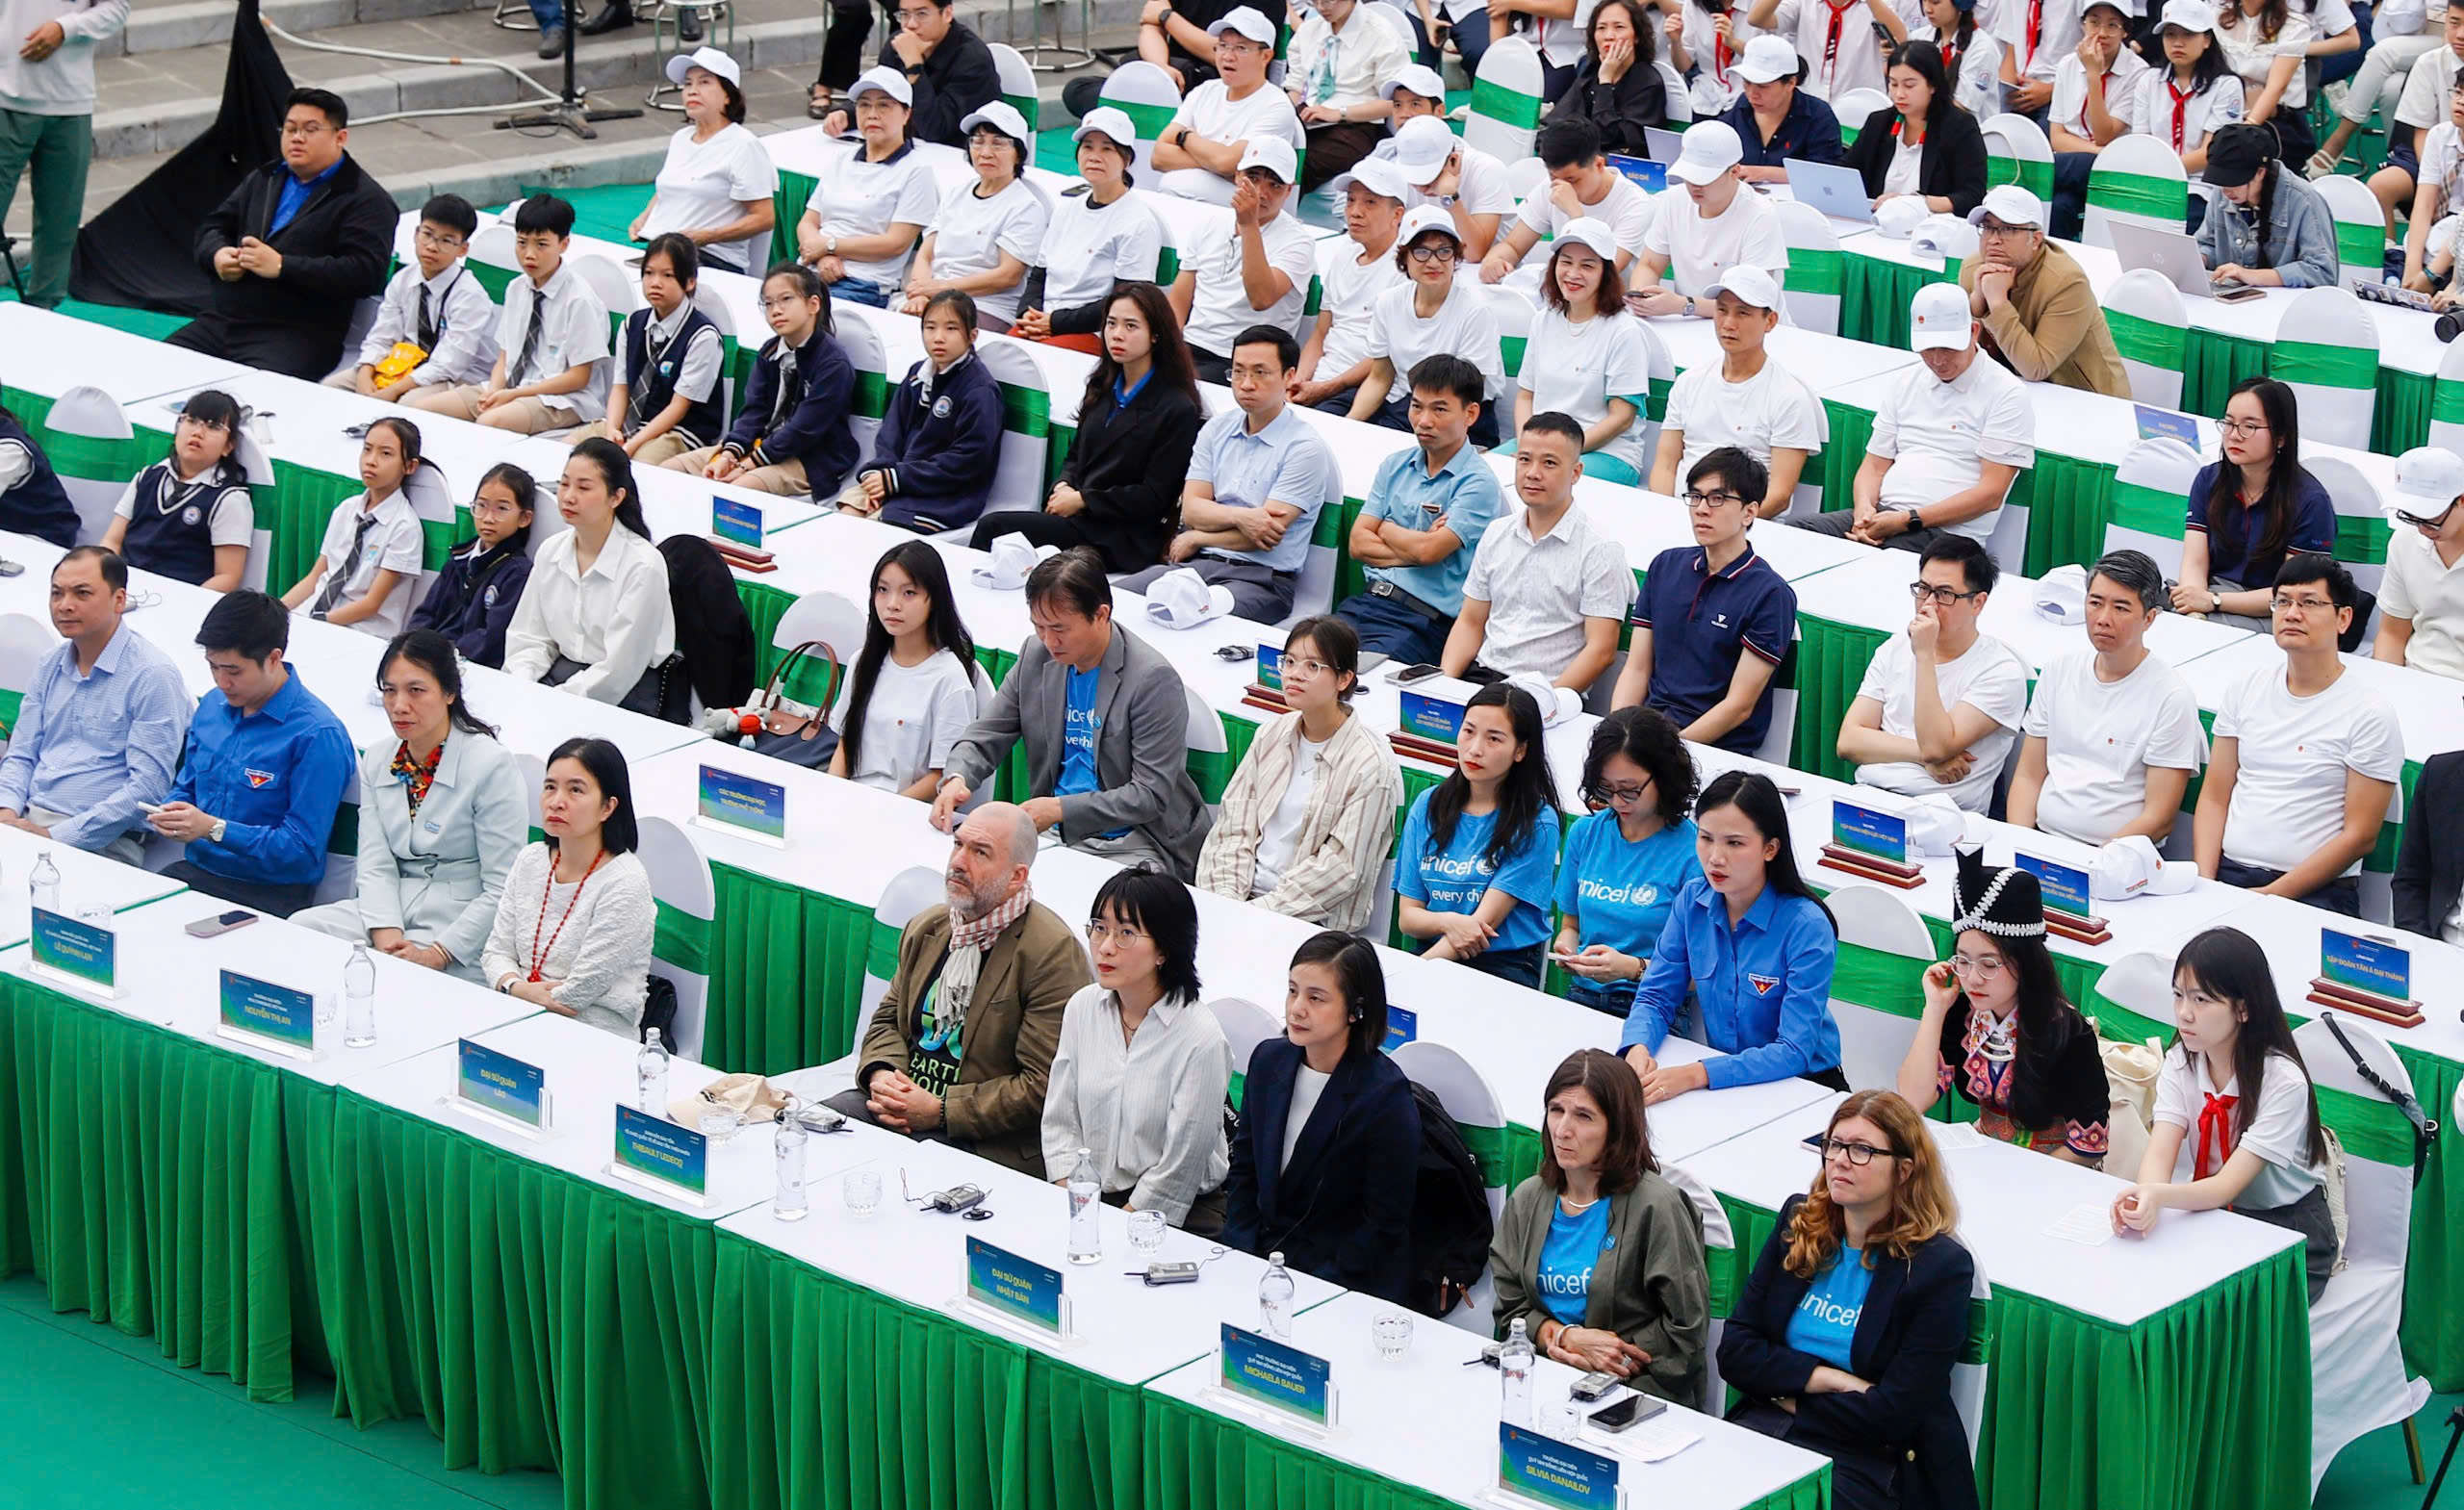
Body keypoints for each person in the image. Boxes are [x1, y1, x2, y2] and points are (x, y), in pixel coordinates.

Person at [1720, 1091, 1977, 1510]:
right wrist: (1828, 1379)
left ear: (1904, 1170)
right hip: (1768, 1427)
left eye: (1862, 1150)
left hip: (1872, 1461)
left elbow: (1893, 1413)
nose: (1840, 1160)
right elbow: (1734, 1352)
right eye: (1835, 1145)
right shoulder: (1799, 1223)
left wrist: (1789, 1396)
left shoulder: (1938, 1268)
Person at [830, 801, 1092, 1175]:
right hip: (902, 1104)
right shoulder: (929, 926)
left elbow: (1042, 1085)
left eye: (980, 852)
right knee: (813, 1134)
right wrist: (883, 1076)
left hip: (982, 1138)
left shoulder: (1051, 954)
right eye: (958, 844)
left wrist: (939, 1111)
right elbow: (888, 1019)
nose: (958, 862)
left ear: (1016, 876)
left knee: (907, 1177)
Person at [931, 550, 1215, 877]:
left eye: (1059, 628)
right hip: (1056, 832)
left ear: (1101, 614)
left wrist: (1059, 809)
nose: (1049, 641)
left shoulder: (1152, 679)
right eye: (1039, 627)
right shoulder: (1036, 655)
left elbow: (1149, 794)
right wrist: (957, 777)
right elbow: (987, 733)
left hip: (1136, 840)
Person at [294, 629, 529, 983]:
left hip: (460, 923)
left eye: (416, 690)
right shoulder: (378, 758)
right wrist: (386, 934)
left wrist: (438, 953)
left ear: (449, 692)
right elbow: (375, 862)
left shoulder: (491, 764)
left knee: (406, 982)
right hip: (392, 907)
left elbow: (503, 887)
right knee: (302, 929)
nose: (399, 705)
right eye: (390, 690)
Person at [2112, 928, 2334, 1301]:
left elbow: (2226, 1187)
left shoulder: (2283, 1082)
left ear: (2243, 1009)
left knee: (2215, 1312)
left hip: (2287, 1227)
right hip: (2214, 1214)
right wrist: (2145, 1200)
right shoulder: (2181, 1061)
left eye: (2201, 1000)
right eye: (2178, 995)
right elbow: (2160, 1153)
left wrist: (2158, 1196)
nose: (2184, 1013)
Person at [1492, 1048, 1710, 1406]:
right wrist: (1564, 1337)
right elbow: (1509, 1309)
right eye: (1556, 1110)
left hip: (1632, 1391)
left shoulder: (1658, 1207)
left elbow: (1686, 1331)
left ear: (1617, 1129)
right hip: (1542, 1376)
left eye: (1584, 1116)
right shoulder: (1528, 1199)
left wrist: (1608, 1360)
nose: (1563, 1130)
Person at [1621, 770, 1846, 1102]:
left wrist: (1697, 1074)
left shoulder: (1806, 925)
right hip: (1729, 1083)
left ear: (1770, 848)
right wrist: (1637, 1046)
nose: (1715, 858)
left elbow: (1793, 1050)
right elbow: (1656, 996)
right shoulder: (1692, 901)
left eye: (1734, 843)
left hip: (1806, 1087)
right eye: (1705, 838)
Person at [2195, 553, 2401, 915]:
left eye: (2309, 603)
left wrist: (2266, 897)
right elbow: (2214, 798)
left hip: (2318, 893)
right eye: (2283, 602)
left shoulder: (2369, 713)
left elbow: (2359, 836)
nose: (2292, 613)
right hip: (2229, 876)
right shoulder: (2246, 689)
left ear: (2343, 618)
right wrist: (2205, 884)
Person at [1221, 931, 1422, 1303]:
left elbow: (1382, 1225)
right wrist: (1241, 1253)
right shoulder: (1268, 1060)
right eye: (1292, 991)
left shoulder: (1385, 1097)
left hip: (1342, 1280)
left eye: (1316, 998)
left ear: (1356, 1010)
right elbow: (1244, 1171)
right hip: (1261, 1258)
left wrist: (1311, 1288)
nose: (1297, 1008)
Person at [1044, 867, 1235, 1233]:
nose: (1105, 946)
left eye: (1126, 933)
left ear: (1164, 949)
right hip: (1087, 1197)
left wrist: (1116, 1225)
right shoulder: (1082, 1007)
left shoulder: (1201, 1038)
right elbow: (1060, 1122)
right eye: (1099, 928)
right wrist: (1076, 1204)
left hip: (1180, 1210)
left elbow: (1182, 1163)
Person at [148, 591, 352, 918]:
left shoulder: (316, 735)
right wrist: (173, 810)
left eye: (234, 671)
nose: (222, 681)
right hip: (197, 871)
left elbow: (301, 849)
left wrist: (214, 829)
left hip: (268, 893)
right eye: (213, 667)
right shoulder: (211, 707)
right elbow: (188, 787)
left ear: (273, 659)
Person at [1897, 849, 2111, 1162]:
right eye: (1963, 961)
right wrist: (1934, 1009)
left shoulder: (2069, 1032)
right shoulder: (1962, 1013)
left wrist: (2020, 1174)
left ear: (2025, 964)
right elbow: (1913, 1099)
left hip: (2052, 1168)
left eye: (1989, 964)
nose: (1973, 979)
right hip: (1986, 1156)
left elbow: (2091, 1145)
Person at [974, 284, 1204, 571]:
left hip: (1120, 536)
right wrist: (1063, 485)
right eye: (1111, 323)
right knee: (1001, 536)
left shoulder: (1177, 407)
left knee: (994, 528)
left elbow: (1153, 496)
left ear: (1156, 334)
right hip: (1080, 518)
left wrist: (1083, 500)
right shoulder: (1102, 385)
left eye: (1131, 326)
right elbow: (1075, 456)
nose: (1117, 334)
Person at [1197, 614, 1405, 933]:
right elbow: (1232, 827)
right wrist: (1226, 901)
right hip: (1238, 901)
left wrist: (1256, 914)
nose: (1295, 674)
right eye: (1290, 662)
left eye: (1313, 666)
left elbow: (1339, 871)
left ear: (1344, 679)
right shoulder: (1272, 734)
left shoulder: (1370, 765)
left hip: (1309, 923)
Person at [171, 88, 397, 380]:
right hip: (224, 321)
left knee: (254, 393)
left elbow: (366, 273)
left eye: (310, 130)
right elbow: (213, 226)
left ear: (340, 137)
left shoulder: (366, 199)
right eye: (290, 129)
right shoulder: (266, 177)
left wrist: (282, 266)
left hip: (297, 335)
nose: (297, 138)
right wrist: (216, 255)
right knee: (158, 367)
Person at [1120, 324, 1338, 623]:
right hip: (1195, 567)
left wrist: (1197, 537)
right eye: (1238, 372)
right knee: (1115, 599)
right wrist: (1242, 517)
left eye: (1260, 373)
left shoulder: (1305, 448)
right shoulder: (1216, 429)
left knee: (1188, 615)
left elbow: (1262, 536)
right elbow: (1192, 510)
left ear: (1289, 376)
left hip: (1262, 580)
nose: (1246, 384)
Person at [1797, 282, 2033, 551]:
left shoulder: (2007, 393)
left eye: (1948, 349)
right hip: (1887, 516)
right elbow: (1874, 466)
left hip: (1948, 535)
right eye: (1928, 349)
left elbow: (1991, 494)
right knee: (1796, 532)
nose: (1938, 360)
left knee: (1880, 556)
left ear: (1973, 332)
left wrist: (1908, 520)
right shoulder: (1906, 381)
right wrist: (1864, 511)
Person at [2008, 549, 2207, 845]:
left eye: (2121, 608)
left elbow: (2159, 818)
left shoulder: (2171, 697)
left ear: (2149, 618)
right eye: (2095, 603)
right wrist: (2019, 843)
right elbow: (2028, 776)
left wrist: (2092, 862)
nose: (2103, 619)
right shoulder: (2058, 672)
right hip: (2041, 841)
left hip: (2117, 855)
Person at [0, 547, 185, 862]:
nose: (64, 605)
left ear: (119, 600)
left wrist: (53, 837)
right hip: (26, 820)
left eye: (82, 593)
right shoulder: (50, 663)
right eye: (57, 593)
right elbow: (21, 754)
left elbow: (148, 788)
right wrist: (7, 813)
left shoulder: (152, 675)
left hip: (103, 841)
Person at [1615, 448, 1799, 753]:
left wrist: (1670, 751)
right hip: (1649, 732)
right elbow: (1637, 668)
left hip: (1713, 748)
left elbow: (1738, 706)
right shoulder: (1666, 565)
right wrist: (1618, 732)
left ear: (1749, 512)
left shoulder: (1770, 595)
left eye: (1717, 499)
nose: (1701, 509)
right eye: (1695, 496)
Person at [1333, 353, 1508, 665]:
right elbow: (1358, 544)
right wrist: (1416, 548)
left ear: (1471, 414)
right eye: (1416, 406)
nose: (1424, 420)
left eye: (1439, 409)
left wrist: (1385, 528)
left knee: (1353, 677)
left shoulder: (1478, 483)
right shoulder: (1394, 465)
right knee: (1308, 659)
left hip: (1423, 622)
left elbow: (1430, 552)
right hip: (1366, 602)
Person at [1837, 535, 2029, 813]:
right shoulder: (1894, 648)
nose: (1928, 604)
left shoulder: (2001, 672)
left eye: (1944, 594)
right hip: (1870, 798)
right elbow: (1848, 741)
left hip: (1946, 814)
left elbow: (1937, 746)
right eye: (1923, 589)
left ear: (1978, 603)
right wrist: (1921, 756)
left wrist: (1925, 655)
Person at [1444, 412, 1635, 688]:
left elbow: (1601, 651)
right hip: (1482, 678)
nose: (1533, 473)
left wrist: (1545, 703)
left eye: (1549, 463)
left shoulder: (1600, 551)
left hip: (1545, 690)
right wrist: (1444, 685)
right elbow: (1470, 622)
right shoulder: (1497, 532)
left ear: (1576, 473)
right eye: (1524, 459)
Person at [482, 738, 656, 1038]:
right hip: (516, 1015)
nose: (556, 802)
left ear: (608, 807)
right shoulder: (531, 859)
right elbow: (495, 953)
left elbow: (580, 992)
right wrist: (517, 987)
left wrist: (516, 993)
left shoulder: (626, 881)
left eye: (575, 790)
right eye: (550, 787)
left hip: (592, 1034)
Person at [1396, 682, 1564, 987]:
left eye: (1494, 738)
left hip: (1502, 965)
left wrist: (1412, 978)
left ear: (1521, 750)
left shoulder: (1537, 822)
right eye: (1469, 731)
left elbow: (1481, 927)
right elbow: (1408, 919)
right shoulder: (1428, 805)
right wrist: (1448, 921)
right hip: (1432, 950)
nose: (1475, 749)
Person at [403, 193, 612, 435]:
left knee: (490, 422)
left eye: (541, 244)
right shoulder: (517, 288)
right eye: (522, 242)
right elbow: (505, 356)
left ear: (563, 244)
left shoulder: (579, 300)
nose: (529, 254)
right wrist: (494, 389)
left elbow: (579, 377)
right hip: (512, 387)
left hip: (563, 400)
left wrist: (514, 394)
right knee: (420, 410)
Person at [503, 439, 679, 714]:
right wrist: (523, 684)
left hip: (626, 693)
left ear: (616, 497)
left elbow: (619, 669)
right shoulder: (551, 551)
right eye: (564, 484)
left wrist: (553, 703)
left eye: (584, 488)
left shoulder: (643, 566)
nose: (569, 496)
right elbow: (529, 637)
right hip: (560, 678)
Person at [1552, 707, 1702, 1018]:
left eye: (1630, 791)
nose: (1617, 801)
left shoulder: (1695, 852)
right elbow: (1571, 926)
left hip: (1655, 1004)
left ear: (1663, 777)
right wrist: (1568, 948)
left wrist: (1631, 969)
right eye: (1605, 789)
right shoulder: (1585, 833)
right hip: (1583, 993)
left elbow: (1701, 973)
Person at [669, 261, 860, 499]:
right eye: (768, 303)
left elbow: (804, 430)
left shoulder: (833, 364)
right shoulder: (769, 352)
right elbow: (754, 411)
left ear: (813, 304)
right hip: (761, 446)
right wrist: (729, 454)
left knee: (735, 490)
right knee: (671, 469)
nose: (776, 310)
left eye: (786, 299)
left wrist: (746, 465)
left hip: (810, 458)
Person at [1651, 268, 1827, 518]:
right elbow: (1665, 466)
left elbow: (1779, 494)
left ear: (1770, 321)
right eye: (1722, 310)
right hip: (1681, 517)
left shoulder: (1790, 397)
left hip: (1747, 527)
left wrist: (1726, 526)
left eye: (1743, 313)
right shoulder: (1689, 382)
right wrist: (1664, 514)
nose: (1728, 324)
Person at [2170, 377, 2335, 629]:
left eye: (2249, 427)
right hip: (2213, 593)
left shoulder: (2311, 501)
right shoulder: (2208, 479)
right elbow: (2194, 562)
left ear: (2281, 437)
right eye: (2228, 423)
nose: (2234, 436)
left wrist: (2213, 602)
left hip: (2276, 611)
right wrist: (2194, 610)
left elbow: (2293, 593)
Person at [839, 290, 1002, 532]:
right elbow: (891, 433)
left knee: (871, 531)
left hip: (946, 494)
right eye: (930, 328)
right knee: (847, 514)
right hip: (899, 479)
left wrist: (896, 479)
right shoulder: (917, 374)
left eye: (951, 328)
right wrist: (881, 477)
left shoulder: (980, 390)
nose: (938, 338)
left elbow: (968, 460)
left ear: (972, 335)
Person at [828, 540, 980, 798]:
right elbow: (845, 742)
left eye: (909, 593)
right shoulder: (862, 661)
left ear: (935, 600)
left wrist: (888, 809)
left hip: (907, 808)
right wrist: (832, 793)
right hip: (851, 799)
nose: (892, 604)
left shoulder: (950, 680)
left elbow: (943, 775)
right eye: (883, 590)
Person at [0, 0, 123, 309]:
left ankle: (44, 312)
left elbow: (116, 8)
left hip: (71, 103)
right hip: (4, 98)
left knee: (60, 222)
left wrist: (65, 28)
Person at [1012, 109, 1166, 352]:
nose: (1094, 157)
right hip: (1044, 322)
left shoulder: (1138, 222)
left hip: (1093, 332)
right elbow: (1039, 276)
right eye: (1088, 147)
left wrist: (1056, 323)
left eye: (1107, 149)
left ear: (1126, 160)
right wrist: (1027, 313)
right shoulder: (1066, 209)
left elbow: (1127, 301)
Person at [1350, 207, 1507, 446]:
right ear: (1404, 257)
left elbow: (1467, 392)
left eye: (1444, 251)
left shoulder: (1476, 310)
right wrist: (1349, 425)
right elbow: (1380, 378)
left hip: (1462, 418)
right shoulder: (1388, 302)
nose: (1433, 262)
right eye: (1422, 252)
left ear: (1455, 256)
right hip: (1409, 405)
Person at [1513, 220, 1652, 484]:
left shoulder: (1624, 332)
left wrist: (1558, 453)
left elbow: (1622, 418)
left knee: (1544, 480)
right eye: (1566, 262)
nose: (1573, 273)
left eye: (1587, 266)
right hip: (1541, 448)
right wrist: (1526, 447)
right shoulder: (1542, 320)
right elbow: (1525, 395)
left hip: (1608, 453)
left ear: (1605, 273)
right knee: (1488, 471)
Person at [1168, 137, 1318, 382]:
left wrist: (1249, 225)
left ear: (1289, 191)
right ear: (1237, 176)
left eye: (1275, 185)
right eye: (1253, 178)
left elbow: (1261, 298)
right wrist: (1168, 348)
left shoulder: (1299, 242)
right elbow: (1178, 301)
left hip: (1248, 361)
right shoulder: (1210, 225)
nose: (1261, 192)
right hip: (1191, 346)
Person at [1957, 184, 2128, 396]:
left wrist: (1997, 303)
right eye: (1987, 227)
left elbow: (2035, 368)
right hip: (2010, 391)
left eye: (2007, 229)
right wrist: (1977, 305)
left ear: (2035, 240)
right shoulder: (1973, 268)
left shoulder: (2067, 282)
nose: (1993, 240)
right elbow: (1961, 355)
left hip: (2088, 398)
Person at [578, 234, 726, 467]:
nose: (655, 283)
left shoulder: (703, 336)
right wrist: (613, 429)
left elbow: (678, 407)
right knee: (573, 446)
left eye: (668, 275)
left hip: (678, 432)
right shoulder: (632, 324)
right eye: (649, 273)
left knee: (639, 464)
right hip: (631, 423)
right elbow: (621, 387)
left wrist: (632, 444)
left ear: (690, 282)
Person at [795, 68, 937, 309]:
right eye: (864, 105)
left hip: (863, 283)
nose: (872, 114)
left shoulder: (916, 171)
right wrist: (822, 256)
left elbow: (895, 243)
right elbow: (808, 222)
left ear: (906, 114)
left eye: (884, 106)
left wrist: (829, 246)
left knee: (804, 314)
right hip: (811, 270)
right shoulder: (842, 159)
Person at [630, 49, 778, 275]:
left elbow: (764, 218)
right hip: (663, 251)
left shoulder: (744, 145)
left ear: (728, 95)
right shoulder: (680, 138)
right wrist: (645, 217)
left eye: (704, 82)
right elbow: (669, 187)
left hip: (713, 259)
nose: (692, 91)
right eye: (688, 84)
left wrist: (708, 236)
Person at [901, 103, 1048, 326]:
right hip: (935, 296)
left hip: (986, 306)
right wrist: (921, 293)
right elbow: (925, 255)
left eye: (998, 143)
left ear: (1018, 154)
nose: (986, 152)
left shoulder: (1026, 207)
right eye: (977, 142)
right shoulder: (955, 194)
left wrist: (939, 289)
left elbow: (1008, 276)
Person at [1629, 120, 1792, 320]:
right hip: (1688, 323)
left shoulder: (1760, 214)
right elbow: (1650, 264)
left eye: (1704, 178)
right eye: (1688, 176)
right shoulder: (1674, 199)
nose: (1694, 185)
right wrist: (1642, 296)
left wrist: (1684, 305)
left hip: (1750, 328)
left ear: (1734, 172)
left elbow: (1750, 302)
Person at [280, 417, 425, 641]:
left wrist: (317, 623)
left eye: (386, 454)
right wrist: (276, 611)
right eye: (367, 449)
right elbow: (315, 577)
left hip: (361, 631)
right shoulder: (346, 509)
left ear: (410, 466)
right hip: (314, 614)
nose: (371, 461)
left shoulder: (405, 527)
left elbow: (371, 604)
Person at [342, 193, 497, 402]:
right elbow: (382, 336)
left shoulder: (470, 296)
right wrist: (365, 372)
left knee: (408, 403)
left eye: (446, 241)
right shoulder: (403, 279)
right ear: (416, 234)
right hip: (402, 364)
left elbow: (450, 363)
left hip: (459, 377)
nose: (432, 246)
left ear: (463, 249)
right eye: (427, 234)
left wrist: (395, 389)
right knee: (333, 387)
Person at [98, 389, 251, 589]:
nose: (198, 432)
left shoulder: (231, 499)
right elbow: (112, 541)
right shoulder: (147, 476)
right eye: (191, 421)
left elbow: (228, 577)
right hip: (125, 587)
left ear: (228, 446)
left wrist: (183, 602)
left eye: (213, 426)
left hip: (181, 596)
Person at [1153, 8, 1308, 206]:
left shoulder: (1276, 105)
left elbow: (1225, 163)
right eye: (1223, 46)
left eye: (1241, 48)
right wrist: (1217, 163)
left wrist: (1186, 137)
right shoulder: (1205, 91)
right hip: (1192, 203)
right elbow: (1159, 156)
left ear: (1266, 56)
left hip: (1243, 209)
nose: (1228, 56)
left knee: (1175, 185)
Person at [1295, 157, 1411, 414]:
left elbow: (1388, 357)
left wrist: (1326, 388)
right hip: (1324, 379)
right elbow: (1321, 333)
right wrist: (1299, 380)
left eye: (1370, 202)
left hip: (1368, 387)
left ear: (1397, 215)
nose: (1355, 211)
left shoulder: (1407, 269)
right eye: (1350, 200)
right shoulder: (1344, 255)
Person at [1478, 117, 1659, 282]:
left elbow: (1604, 273)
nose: (1563, 188)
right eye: (1553, 177)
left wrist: (1576, 214)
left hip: (1612, 302)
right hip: (1562, 297)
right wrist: (1495, 261)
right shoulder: (1550, 186)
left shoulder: (1636, 204)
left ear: (1599, 165)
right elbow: (1513, 246)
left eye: (1572, 180)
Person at [813, 0, 999, 148]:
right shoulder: (897, 44)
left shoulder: (972, 59)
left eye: (922, 14)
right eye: (904, 15)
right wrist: (846, 114)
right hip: (909, 146)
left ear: (947, 14)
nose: (911, 24)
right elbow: (879, 93)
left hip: (959, 154)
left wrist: (914, 67)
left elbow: (935, 130)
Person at [2311, 1, 2459, 181]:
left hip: (2447, 37)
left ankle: (2339, 139)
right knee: (2391, 89)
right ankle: (2398, 162)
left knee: (2382, 53)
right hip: (2418, 31)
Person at [407, 465, 534, 674]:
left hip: (469, 669)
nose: (488, 518)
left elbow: (492, 638)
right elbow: (426, 612)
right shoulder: (459, 559)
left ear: (524, 518)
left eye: (502, 509)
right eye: (481, 505)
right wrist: (413, 645)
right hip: (430, 659)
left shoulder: (518, 573)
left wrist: (442, 657)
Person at [1840, 41, 1987, 217]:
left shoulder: (1960, 127)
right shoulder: (1878, 123)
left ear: (1933, 85)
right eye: (1893, 84)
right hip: (1876, 221)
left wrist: (1914, 202)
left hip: (1933, 225)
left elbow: (1972, 196)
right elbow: (1846, 172)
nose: (1899, 94)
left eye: (1909, 86)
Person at [2043, 0, 2147, 239]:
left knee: (2047, 169)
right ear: (2082, 25)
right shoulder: (2067, 64)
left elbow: (2104, 135)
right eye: (2094, 23)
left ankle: (2027, 174)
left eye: (2112, 25)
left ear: (2125, 31)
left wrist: (2093, 75)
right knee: (2059, 207)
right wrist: (2100, 152)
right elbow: (2057, 138)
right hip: (2074, 165)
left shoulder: (2139, 73)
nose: (2102, 33)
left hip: (2113, 170)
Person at [1284, 0, 1412, 190]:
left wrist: (1339, 113)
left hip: (1356, 125)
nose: (1321, 7)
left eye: (1328, 1)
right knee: (1265, 153)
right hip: (1308, 115)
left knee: (1294, 169)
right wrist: (1285, 113)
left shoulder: (1381, 34)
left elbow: (1396, 101)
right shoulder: (1309, 30)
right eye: (1314, 1)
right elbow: (1295, 88)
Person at [2195, 123, 2340, 287]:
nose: (2225, 191)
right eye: (2220, 181)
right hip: (2233, 296)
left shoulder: (2304, 200)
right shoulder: (2223, 192)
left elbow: (2322, 272)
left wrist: (2252, 275)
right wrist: (2200, 258)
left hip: (2287, 301)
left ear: (2260, 173)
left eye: (2233, 181)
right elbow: (2209, 244)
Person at [2124, 0, 2244, 195]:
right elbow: (2142, 141)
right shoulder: (2149, 80)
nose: (2178, 43)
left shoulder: (2226, 85)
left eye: (2188, 34)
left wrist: (2164, 171)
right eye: (2170, 34)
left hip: (2202, 186)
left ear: (2207, 40)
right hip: (2152, 183)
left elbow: (2211, 151)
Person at [2376, 445, 2464, 680]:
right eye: (2411, 516)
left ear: (2462, 500)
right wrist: (2386, 684)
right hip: (2415, 675)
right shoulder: (2404, 542)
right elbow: (2392, 633)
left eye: (2432, 517)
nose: (2423, 529)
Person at [1384, 112, 1521, 263]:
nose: (1421, 189)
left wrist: (1450, 198)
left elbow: (1474, 254)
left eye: (1429, 178)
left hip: (1491, 270)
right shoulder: (1394, 173)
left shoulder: (1488, 170)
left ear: (1453, 160)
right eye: (1414, 179)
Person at [1720, 35, 1850, 180]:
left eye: (1763, 86)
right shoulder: (1742, 107)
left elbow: (1827, 175)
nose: (1752, 94)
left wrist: (1764, 173)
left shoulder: (1818, 116)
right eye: (1747, 83)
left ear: (1791, 83)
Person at [1546, 0, 1671, 150]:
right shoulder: (1591, 70)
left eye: (1619, 27)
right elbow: (1556, 122)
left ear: (1637, 36)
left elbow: (1607, 138)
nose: (1609, 36)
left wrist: (1605, 82)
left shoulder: (1648, 81)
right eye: (1601, 28)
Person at [2215, 0, 2319, 166]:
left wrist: (2245, 130)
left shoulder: (2294, 26)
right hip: (2226, 109)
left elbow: (2276, 87)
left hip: (2276, 120)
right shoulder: (2217, 16)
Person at [1746, 0, 1906, 99]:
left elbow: (1901, 39)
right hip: (1809, 102)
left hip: (1858, 106)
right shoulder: (1804, 3)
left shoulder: (1874, 5)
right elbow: (1756, 19)